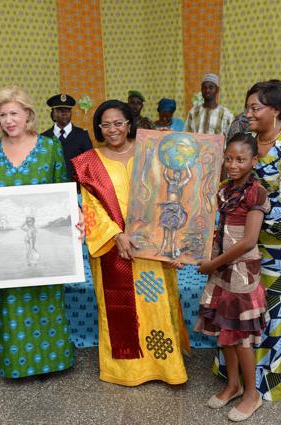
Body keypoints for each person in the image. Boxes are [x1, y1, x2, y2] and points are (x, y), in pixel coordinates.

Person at [72, 100, 189, 386]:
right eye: (105, 124)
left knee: (156, 304)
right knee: (120, 308)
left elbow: (172, 192)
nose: (113, 129)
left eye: (118, 123)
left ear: (129, 124)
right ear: (99, 128)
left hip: (152, 245)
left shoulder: (152, 152)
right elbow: (89, 207)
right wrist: (115, 235)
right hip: (114, 248)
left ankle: (165, 367)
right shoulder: (89, 163)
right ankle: (127, 371)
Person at [214, 81, 281, 401]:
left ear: (276, 111)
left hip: (280, 247)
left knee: (274, 309)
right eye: (248, 107)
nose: (248, 113)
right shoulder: (246, 147)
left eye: (255, 108)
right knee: (241, 308)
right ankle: (239, 379)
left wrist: (247, 222)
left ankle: (271, 380)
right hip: (242, 245)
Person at [0, 86, 77, 379]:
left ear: (28, 114)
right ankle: (19, 364)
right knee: (14, 300)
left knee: (47, 296)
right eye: (3, 114)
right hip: (7, 245)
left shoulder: (49, 148)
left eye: (14, 113)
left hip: (44, 243)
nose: (8, 120)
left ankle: (54, 361)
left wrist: (74, 219)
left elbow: (64, 194)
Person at [196, 133, 270, 421]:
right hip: (220, 269)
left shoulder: (256, 193)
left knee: (241, 338)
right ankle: (233, 384)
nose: (233, 164)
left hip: (241, 272)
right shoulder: (223, 190)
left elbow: (248, 241)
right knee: (223, 333)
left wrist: (213, 263)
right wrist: (193, 256)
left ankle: (253, 395)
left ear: (254, 160)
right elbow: (210, 230)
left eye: (240, 159)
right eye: (228, 158)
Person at [41, 94, 93, 179]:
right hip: (52, 187)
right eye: (59, 110)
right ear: (53, 113)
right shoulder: (44, 137)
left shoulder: (82, 135)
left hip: (76, 187)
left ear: (71, 113)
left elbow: (90, 164)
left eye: (67, 110)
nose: (64, 113)